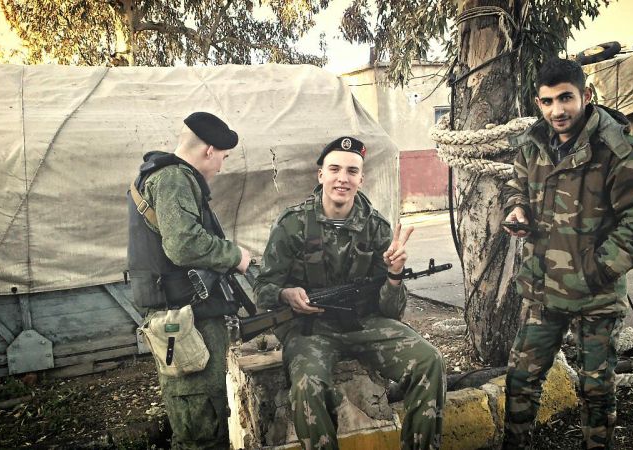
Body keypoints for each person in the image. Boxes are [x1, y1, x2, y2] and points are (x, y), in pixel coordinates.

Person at [500, 57, 633, 449]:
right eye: (547, 101)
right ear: (538, 103)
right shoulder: (533, 145)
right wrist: (517, 209)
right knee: (520, 380)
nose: (557, 110)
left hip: (596, 295)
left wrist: (592, 271)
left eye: (566, 98)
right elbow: (515, 186)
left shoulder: (619, 151)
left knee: (596, 390)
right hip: (543, 288)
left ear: (586, 95)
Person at [254, 136, 446, 450]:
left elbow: (392, 311)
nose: (342, 178)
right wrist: (286, 294)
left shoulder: (376, 228)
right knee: (307, 386)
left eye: (352, 171)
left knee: (430, 360)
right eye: (335, 169)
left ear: (361, 179)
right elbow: (262, 288)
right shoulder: (292, 225)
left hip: (365, 323)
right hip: (311, 330)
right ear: (321, 175)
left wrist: (394, 275)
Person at [127, 111, 251, 449]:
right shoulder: (172, 178)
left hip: (187, 315)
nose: (221, 166)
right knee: (200, 420)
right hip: (185, 320)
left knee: (205, 412)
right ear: (209, 150)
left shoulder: (167, 176)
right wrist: (234, 256)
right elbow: (183, 244)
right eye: (224, 157)